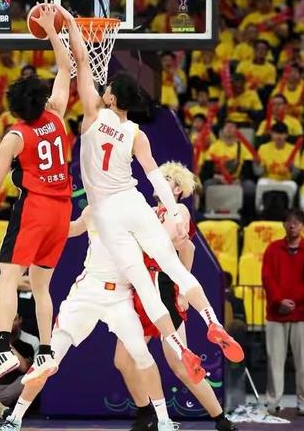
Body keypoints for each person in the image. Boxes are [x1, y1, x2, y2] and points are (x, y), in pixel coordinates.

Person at [64, 4, 243, 382]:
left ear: (111, 99)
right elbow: (154, 176)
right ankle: (212, 320)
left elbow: (80, 60)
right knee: (174, 269)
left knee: (146, 287)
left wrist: (65, 27)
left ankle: (180, 348)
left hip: (109, 211)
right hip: (134, 202)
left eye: (107, 89)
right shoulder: (136, 133)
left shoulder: (92, 115)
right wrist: (174, 210)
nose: (104, 90)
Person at [0, 3, 73, 385]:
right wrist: (53, 30)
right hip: (62, 210)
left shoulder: (15, 136)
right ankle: (46, 350)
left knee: (7, 278)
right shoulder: (57, 115)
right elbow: (66, 69)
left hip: (35, 208)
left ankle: (3, 349)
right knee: (41, 286)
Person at [0, 206, 177, 431]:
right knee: (49, 358)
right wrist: (40, 227)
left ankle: (164, 421)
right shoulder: (93, 210)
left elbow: (173, 235)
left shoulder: (138, 212)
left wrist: (171, 213)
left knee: (141, 354)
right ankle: (15, 419)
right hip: (87, 291)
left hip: (121, 295)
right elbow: (71, 229)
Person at [113, 162, 236, 431]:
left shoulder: (178, 211)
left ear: (178, 189)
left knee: (180, 366)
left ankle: (221, 420)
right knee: (123, 359)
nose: (160, 179)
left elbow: (188, 248)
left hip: (163, 285)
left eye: (167, 178)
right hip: (141, 285)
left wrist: (182, 288)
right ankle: (147, 414)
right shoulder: (149, 211)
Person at [261, 209, 304, 416]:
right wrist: (279, 301)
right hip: (276, 314)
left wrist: (294, 301)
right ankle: (273, 402)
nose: (293, 226)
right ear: (283, 225)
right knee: (275, 361)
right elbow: (267, 278)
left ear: (303, 226)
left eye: (297, 222)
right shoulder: (272, 249)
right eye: (289, 222)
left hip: (302, 314)